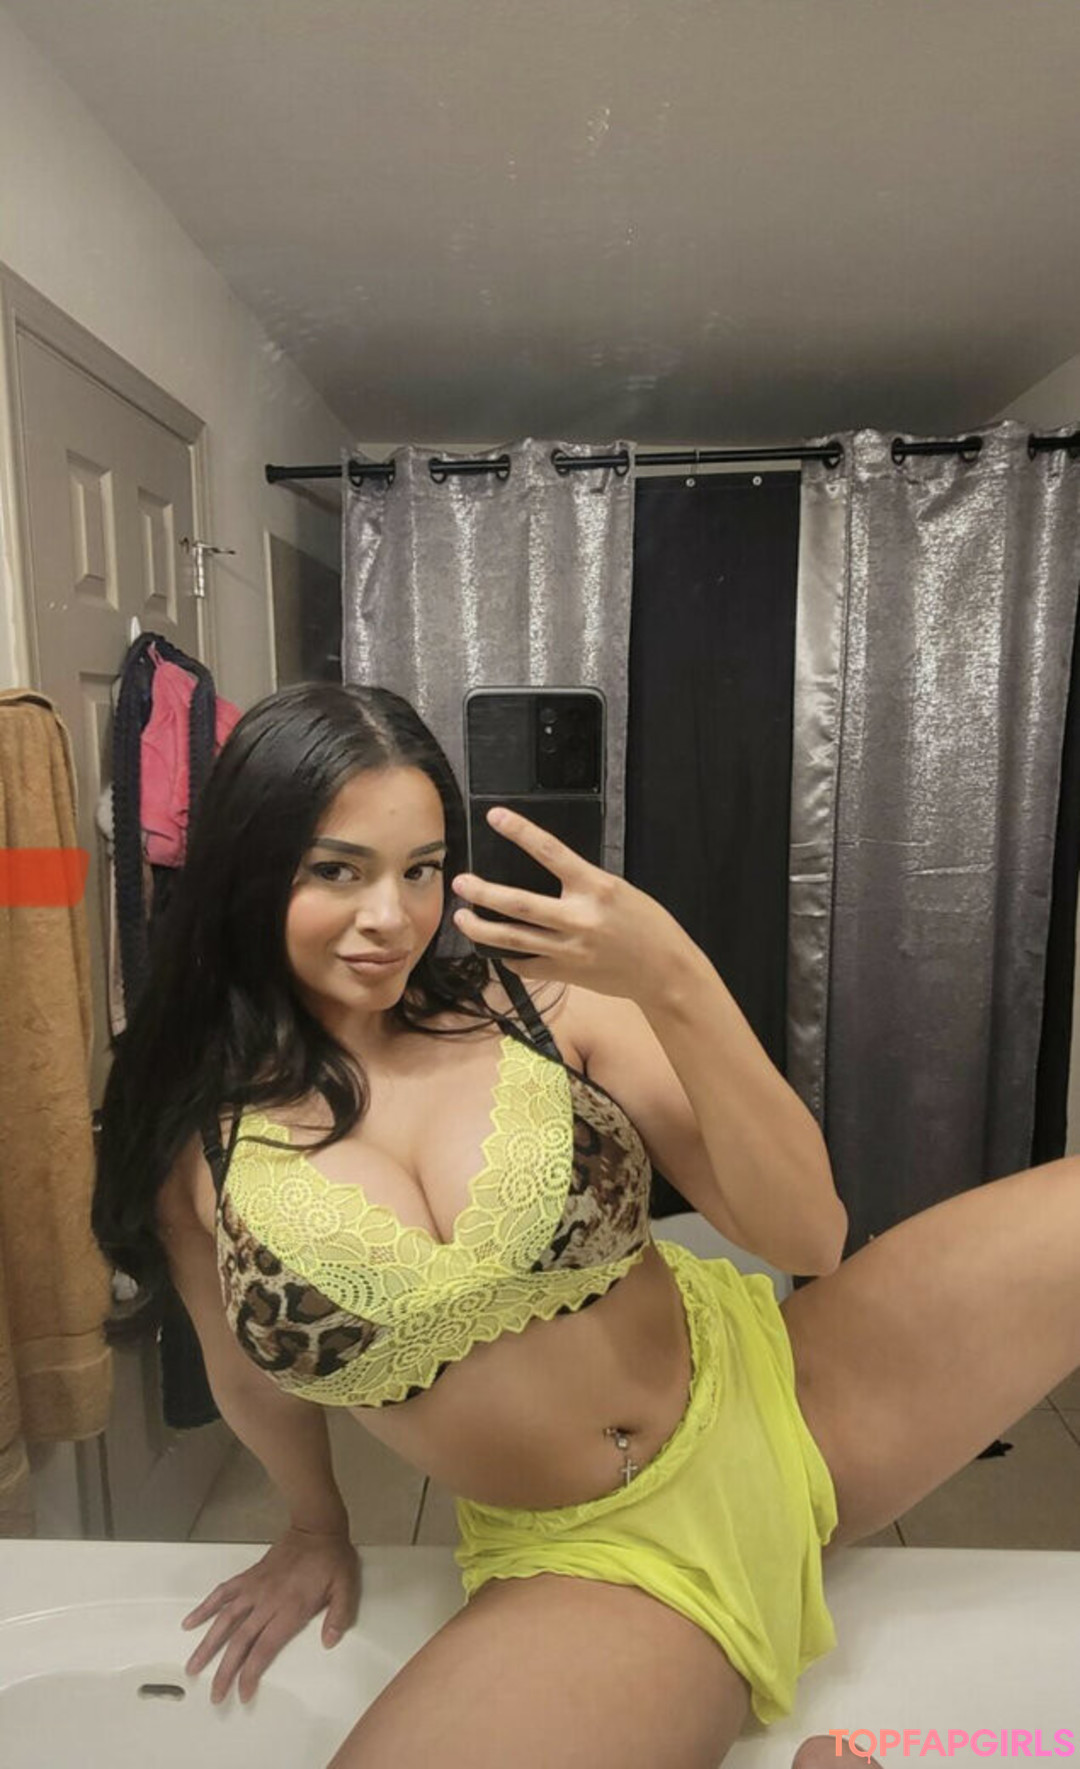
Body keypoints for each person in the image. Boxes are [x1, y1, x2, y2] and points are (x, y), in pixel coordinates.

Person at [92, 681, 1080, 1769]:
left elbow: (811, 1239)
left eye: (421, 868)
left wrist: (674, 978)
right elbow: (248, 1379)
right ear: (247, 868)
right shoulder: (197, 1144)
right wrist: (315, 1526)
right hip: (598, 1555)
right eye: (337, 869)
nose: (393, 917)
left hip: (791, 1393)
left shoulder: (539, 1003)